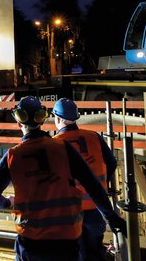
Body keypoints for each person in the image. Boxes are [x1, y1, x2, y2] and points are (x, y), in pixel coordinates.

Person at [0, 96, 126, 261]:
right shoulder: (62, 148)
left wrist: (8, 203)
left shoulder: (13, 156)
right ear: (42, 120)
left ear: (19, 123)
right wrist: (112, 218)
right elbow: (92, 185)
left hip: (31, 242)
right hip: (65, 239)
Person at [52, 97, 118, 261]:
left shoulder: (54, 144)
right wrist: (101, 186)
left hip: (69, 212)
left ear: (58, 118)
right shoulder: (94, 137)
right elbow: (111, 163)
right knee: (95, 251)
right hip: (96, 208)